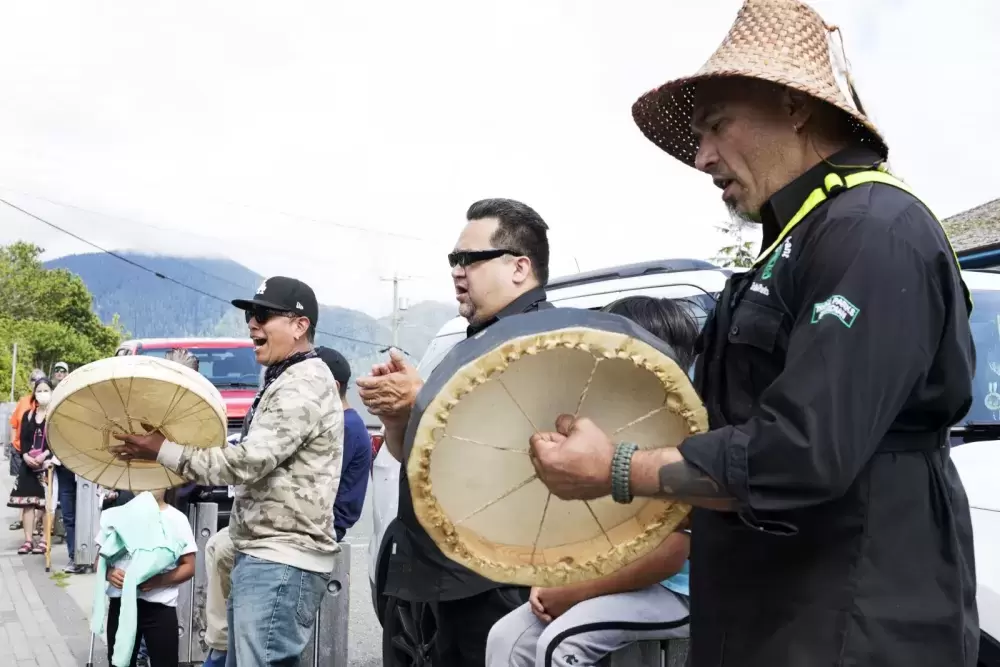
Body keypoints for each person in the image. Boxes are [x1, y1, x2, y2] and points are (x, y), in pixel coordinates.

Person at [526, 2, 978, 666]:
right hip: (768, 613)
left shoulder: (874, 231)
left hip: (849, 624)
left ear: (795, 105)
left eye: (716, 125)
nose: (703, 156)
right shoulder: (793, 242)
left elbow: (801, 450)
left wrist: (619, 467)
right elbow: (725, 420)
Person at [111, 276, 343, 667]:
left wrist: (164, 450)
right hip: (263, 555)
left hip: (281, 560)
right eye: (251, 314)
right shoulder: (285, 377)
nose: (252, 323)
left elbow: (246, 462)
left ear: (300, 325)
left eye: (264, 315)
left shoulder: (302, 384)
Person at [358, 198, 551, 666]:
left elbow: (515, 448)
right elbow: (416, 455)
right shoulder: (465, 344)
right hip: (429, 580)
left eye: (470, 259)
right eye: (453, 260)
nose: (457, 271)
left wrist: (422, 398)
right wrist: (398, 416)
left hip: (493, 584)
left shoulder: (544, 340)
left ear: (519, 267)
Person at [486, 296, 697, 667]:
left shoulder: (685, 435)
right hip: (617, 578)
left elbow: (673, 552)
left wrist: (575, 591)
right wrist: (554, 580)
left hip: (678, 590)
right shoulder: (604, 427)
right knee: (506, 638)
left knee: (561, 641)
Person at [200, 345, 371, 667]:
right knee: (221, 547)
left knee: (222, 548)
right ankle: (222, 644)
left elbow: (287, 475)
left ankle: (220, 647)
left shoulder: (342, 425)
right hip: (290, 523)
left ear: (330, 387)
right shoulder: (335, 420)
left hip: (314, 526)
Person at [99, 487, 197, 667]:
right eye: (141, 480)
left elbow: (189, 566)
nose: (147, 486)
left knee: (165, 661)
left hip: (160, 606)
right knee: (119, 662)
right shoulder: (118, 516)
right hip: (121, 604)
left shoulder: (176, 519)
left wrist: (159, 580)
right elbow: (100, 559)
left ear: (167, 484)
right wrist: (109, 573)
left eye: (153, 480)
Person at [315, 346, 372, 542]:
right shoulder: (339, 422)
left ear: (334, 387)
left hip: (326, 526)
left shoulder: (345, 427)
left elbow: (318, 484)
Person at [7, 377, 55, 555]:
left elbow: (55, 441)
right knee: (27, 504)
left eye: (46, 390)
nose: (42, 394)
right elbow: (24, 440)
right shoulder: (28, 415)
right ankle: (28, 540)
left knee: (45, 505)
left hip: (47, 464)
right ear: (34, 393)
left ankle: (44, 539)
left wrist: (45, 455)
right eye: (39, 390)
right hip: (28, 464)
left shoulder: (54, 415)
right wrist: (25, 455)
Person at [8, 368, 45, 531]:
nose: (35, 383)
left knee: (41, 489)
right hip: (20, 450)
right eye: (33, 380)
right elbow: (14, 424)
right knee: (22, 486)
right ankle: (23, 521)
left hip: (40, 455)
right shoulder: (23, 401)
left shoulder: (44, 404)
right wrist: (12, 444)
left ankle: (38, 523)